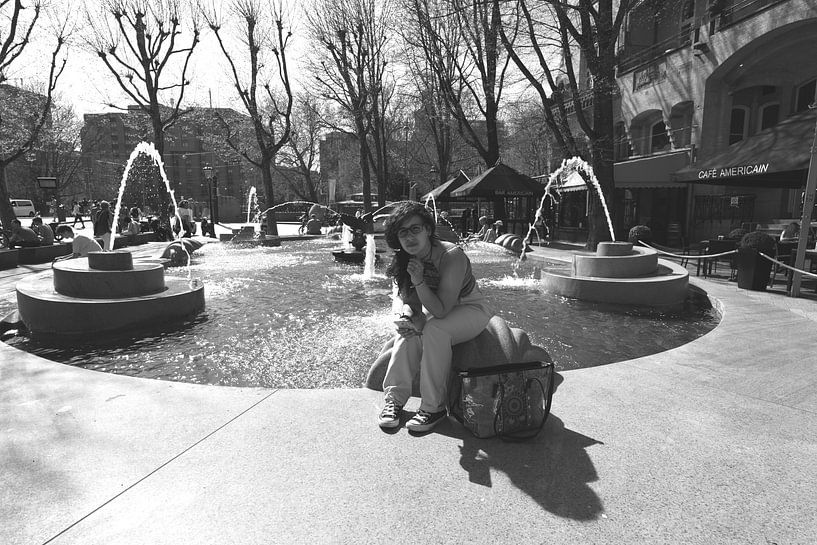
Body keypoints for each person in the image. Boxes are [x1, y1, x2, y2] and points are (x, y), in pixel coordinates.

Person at [378, 202, 494, 432]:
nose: (410, 237)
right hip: (436, 308)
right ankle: (394, 400)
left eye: (415, 229)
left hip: (470, 309)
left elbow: (442, 311)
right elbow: (408, 300)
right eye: (403, 232)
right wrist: (408, 317)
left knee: (434, 330)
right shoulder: (405, 259)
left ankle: (434, 407)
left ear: (428, 230)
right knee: (407, 332)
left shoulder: (451, 255)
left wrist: (419, 280)